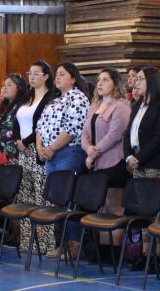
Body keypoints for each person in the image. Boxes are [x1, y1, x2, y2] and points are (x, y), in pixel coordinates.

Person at [81, 68, 132, 251]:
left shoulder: (121, 106)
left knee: (114, 207)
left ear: (115, 83)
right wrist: (88, 149)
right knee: (102, 207)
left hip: (113, 161)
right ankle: (103, 248)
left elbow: (115, 134)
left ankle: (115, 250)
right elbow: (84, 134)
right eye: (99, 80)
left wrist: (94, 152)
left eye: (105, 80)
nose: (100, 83)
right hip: (96, 163)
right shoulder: (94, 105)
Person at [12, 61, 55, 254]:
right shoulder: (27, 97)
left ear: (46, 76)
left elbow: (41, 125)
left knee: (41, 199)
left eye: (36, 73)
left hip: (36, 152)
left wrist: (27, 143)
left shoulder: (50, 97)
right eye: (29, 73)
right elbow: (16, 122)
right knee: (25, 198)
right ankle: (29, 242)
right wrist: (17, 141)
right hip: (23, 153)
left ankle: (45, 243)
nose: (31, 76)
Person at [37, 62, 90, 176]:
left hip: (68, 153)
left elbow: (72, 129)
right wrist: (39, 147)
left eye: (62, 74)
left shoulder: (78, 98)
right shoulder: (54, 100)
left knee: (64, 191)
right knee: (53, 193)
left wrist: (51, 148)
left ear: (73, 79)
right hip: (49, 155)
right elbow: (40, 125)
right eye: (56, 75)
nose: (57, 77)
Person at [0, 74, 28, 167]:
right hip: (1, 155)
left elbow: (14, 130)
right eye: (3, 85)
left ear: (19, 88)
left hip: (16, 155)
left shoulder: (23, 107)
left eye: (9, 85)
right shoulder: (3, 108)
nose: (4, 88)